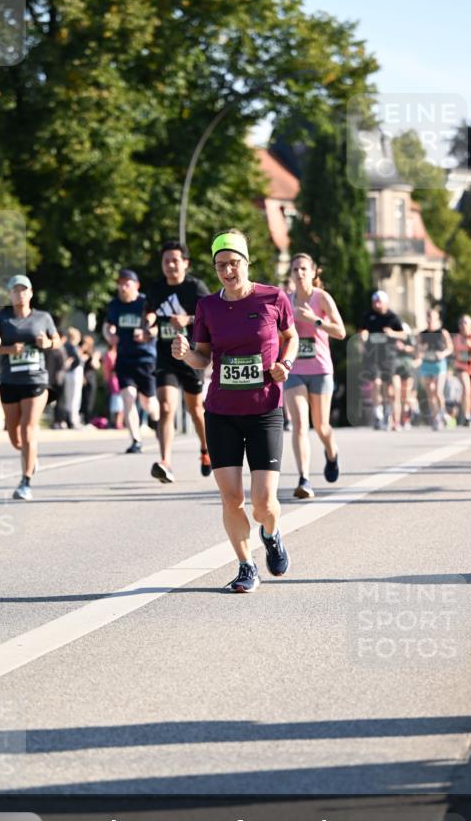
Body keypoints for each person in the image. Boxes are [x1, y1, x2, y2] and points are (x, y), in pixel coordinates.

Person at [172, 228, 298, 593]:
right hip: (222, 410)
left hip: (265, 409)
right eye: (220, 265)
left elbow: (291, 337)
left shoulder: (273, 297)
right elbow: (203, 356)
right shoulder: (208, 306)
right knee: (231, 498)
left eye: (233, 263)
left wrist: (285, 364)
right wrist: (185, 355)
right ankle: (246, 565)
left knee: (263, 502)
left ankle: (271, 534)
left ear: (246, 262)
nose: (227, 270)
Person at [145, 240, 212, 484]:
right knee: (165, 407)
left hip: (192, 356)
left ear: (185, 263)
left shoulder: (195, 288)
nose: (171, 265)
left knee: (195, 410)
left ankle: (205, 451)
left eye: (175, 260)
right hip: (166, 356)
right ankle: (165, 462)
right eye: (166, 261)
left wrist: (188, 319)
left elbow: (212, 315)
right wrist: (149, 325)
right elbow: (150, 311)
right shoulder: (156, 288)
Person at [0, 275, 60, 500]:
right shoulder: (1, 319)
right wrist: (8, 350)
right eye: (15, 290)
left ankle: (25, 482)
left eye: (24, 290)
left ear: (30, 293)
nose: (19, 294)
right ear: (10, 294)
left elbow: (58, 340)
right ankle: (30, 457)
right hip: (10, 381)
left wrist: (48, 343)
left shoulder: (43, 317)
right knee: (15, 437)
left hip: (36, 381)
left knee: (28, 429)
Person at [284, 253, 345, 499]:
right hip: (295, 370)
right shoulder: (285, 301)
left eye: (303, 269)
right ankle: (305, 479)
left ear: (313, 272)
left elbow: (340, 331)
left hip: (320, 369)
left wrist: (315, 320)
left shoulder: (322, 298)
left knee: (321, 426)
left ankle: (331, 453)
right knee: (299, 425)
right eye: (295, 269)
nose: (299, 273)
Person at [103, 268, 160, 453]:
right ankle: (136, 440)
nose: (122, 287)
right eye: (120, 283)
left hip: (145, 358)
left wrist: (146, 333)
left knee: (148, 403)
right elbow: (107, 325)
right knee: (128, 397)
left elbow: (158, 326)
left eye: (127, 283)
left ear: (136, 285)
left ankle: (157, 421)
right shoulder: (114, 304)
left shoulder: (145, 303)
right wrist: (109, 335)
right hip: (124, 358)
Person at [358, 290, 405, 430]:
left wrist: (392, 333)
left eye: (379, 302)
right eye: (374, 302)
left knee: (389, 387)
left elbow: (403, 334)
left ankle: (389, 414)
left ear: (385, 303)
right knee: (375, 383)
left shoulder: (393, 317)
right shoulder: (368, 315)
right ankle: (377, 413)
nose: (376, 304)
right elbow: (362, 330)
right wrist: (363, 337)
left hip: (388, 357)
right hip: (372, 355)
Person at [417, 308, 453, 429]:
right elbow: (417, 349)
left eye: (432, 317)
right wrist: (421, 350)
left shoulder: (442, 333)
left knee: (437, 391)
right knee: (430, 392)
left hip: (439, 364)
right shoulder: (422, 334)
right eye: (428, 317)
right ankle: (436, 416)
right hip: (427, 364)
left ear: (437, 319)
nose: (429, 320)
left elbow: (450, 348)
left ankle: (442, 412)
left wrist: (443, 354)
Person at [393, 322, 417, 429]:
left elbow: (415, 349)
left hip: (407, 367)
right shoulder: (391, 336)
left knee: (406, 396)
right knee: (395, 394)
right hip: (394, 367)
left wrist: (404, 348)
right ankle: (396, 421)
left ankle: (406, 418)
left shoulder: (409, 337)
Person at [63, 327, 85, 429]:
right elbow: (77, 361)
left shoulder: (65, 346)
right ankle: (73, 420)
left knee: (68, 397)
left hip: (68, 373)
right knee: (75, 397)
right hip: (75, 373)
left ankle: (68, 419)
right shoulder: (74, 347)